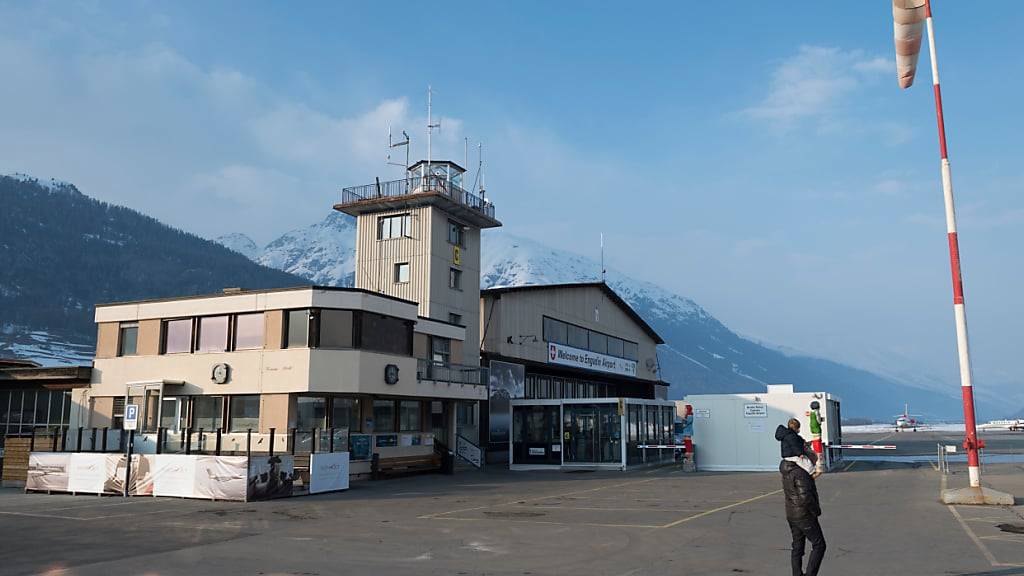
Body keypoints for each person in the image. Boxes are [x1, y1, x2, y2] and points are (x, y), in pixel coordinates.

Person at [777, 419, 826, 576]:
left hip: (791, 513)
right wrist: (815, 512)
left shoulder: (787, 469)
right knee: (819, 545)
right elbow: (805, 496)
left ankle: (797, 573)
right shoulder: (800, 472)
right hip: (803, 514)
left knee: (797, 546)